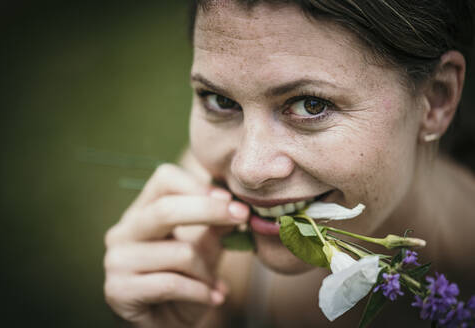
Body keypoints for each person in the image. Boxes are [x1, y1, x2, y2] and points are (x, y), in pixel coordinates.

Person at [103, 1, 475, 327]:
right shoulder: (204, 242)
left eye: (310, 105)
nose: (249, 171)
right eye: (219, 99)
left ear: (436, 99)